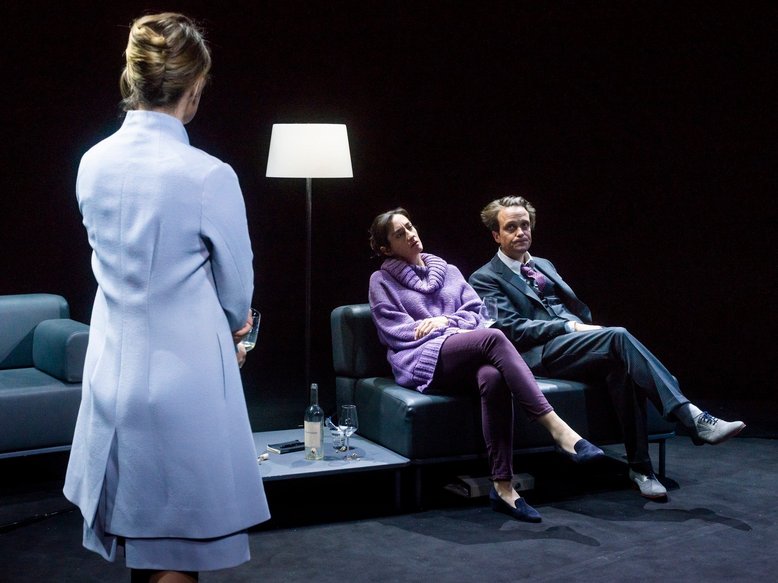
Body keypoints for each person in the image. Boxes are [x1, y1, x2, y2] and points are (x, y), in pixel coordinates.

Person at [63, 13, 269, 582]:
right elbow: (238, 293)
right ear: (195, 86)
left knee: (144, 544)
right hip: (184, 386)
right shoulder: (207, 175)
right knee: (178, 553)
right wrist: (235, 330)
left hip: (111, 377)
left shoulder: (92, 162)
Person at [469, 195, 746, 500]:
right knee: (618, 336)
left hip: (575, 345)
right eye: (511, 227)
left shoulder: (543, 265)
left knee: (622, 368)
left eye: (525, 225)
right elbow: (509, 329)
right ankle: (692, 417)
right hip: (540, 352)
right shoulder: (485, 277)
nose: (521, 232)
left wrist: (578, 326)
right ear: (496, 235)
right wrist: (569, 327)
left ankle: (641, 469)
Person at [368, 208, 605, 523]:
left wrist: (444, 321)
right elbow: (396, 332)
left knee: (492, 376)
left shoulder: (449, 271)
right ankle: (559, 430)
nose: (411, 235)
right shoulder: (381, 281)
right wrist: (446, 329)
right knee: (493, 338)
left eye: (410, 227)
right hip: (420, 358)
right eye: (400, 234)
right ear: (386, 248)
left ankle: (503, 486)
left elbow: (476, 313)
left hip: (460, 351)